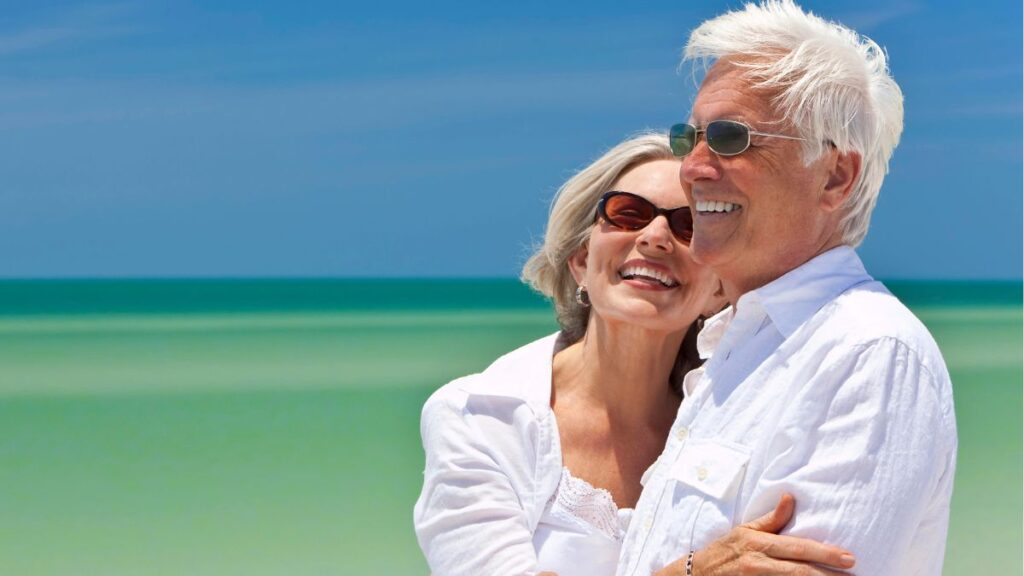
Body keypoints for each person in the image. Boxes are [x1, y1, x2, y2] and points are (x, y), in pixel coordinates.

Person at [414, 133, 857, 576]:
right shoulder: (480, 416)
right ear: (581, 261)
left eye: (690, 226)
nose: (656, 237)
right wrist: (695, 572)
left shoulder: (737, 422)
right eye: (628, 214)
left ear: (719, 291)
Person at [617, 2, 958, 576]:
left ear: (834, 177)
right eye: (689, 137)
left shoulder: (868, 353)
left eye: (728, 138)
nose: (693, 167)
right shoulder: (738, 347)